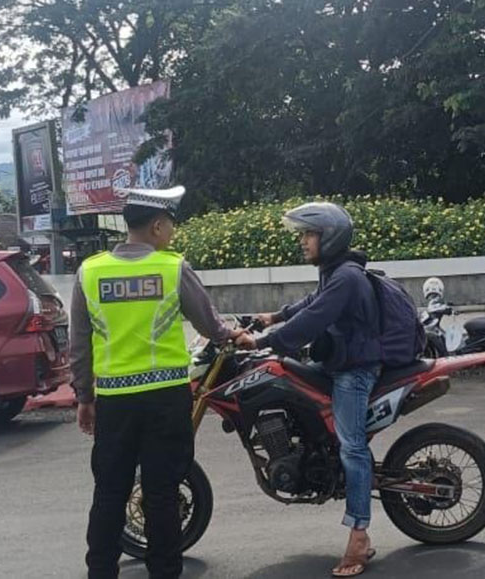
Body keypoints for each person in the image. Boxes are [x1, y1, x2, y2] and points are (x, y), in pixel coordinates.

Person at [70, 186, 240, 579]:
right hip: (165, 399)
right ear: (158, 226)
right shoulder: (172, 268)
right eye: (171, 227)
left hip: (113, 400)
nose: (173, 234)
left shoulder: (90, 271)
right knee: (161, 492)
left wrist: (84, 397)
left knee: (110, 492)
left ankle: (100, 572)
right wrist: (231, 335)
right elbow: (210, 325)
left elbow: (80, 344)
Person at [235, 202, 381, 578]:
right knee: (289, 383)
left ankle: (360, 535)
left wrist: (267, 340)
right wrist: (275, 316)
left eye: (308, 234)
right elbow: (311, 303)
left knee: (353, 445)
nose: (302, 241)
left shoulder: (346, 277)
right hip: (337, 361)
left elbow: (315, 319)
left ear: (329, 238)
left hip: (354, 370)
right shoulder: (336, 272)